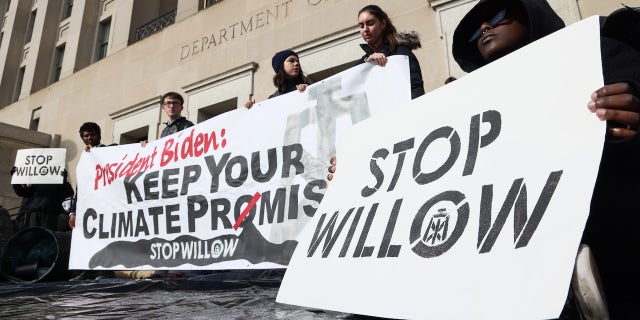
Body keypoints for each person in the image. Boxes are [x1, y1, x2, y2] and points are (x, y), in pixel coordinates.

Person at [451, 1, 640, 318]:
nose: (483, 28)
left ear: (531, 15)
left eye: (497, 16)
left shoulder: (596, 49)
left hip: (617, 253)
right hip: (528, 273)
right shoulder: (468, 105)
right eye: (474, 31)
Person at [357, 5, 425, 99]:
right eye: (361, 26)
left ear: (383, 24)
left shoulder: (401, 52)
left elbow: (415, 90)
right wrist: (367, 67)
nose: (365, 29)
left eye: (370, 23)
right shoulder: (362, 63)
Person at [10, 167, 74, 232]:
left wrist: (63, 180)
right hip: (34, 213)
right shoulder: (36, 181)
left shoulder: (58, 182)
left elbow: (69, 193)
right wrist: (15, 179)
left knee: (45, 237)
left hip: (50, 214)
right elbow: (23, 192)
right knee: (33, 236)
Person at [245, 49, 311, 108]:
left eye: (297, 61)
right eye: (291, 61)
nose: (296, 63)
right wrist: (252, 109)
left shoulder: (307, 87)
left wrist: (309, 89)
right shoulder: (273, 98)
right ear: (281, 66)